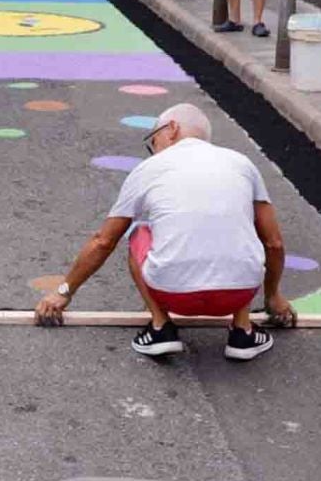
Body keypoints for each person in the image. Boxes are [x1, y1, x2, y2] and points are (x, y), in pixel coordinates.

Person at [35, 103, 295, 359]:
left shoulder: (147, 170)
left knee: (138, 230)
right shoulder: (242, 164)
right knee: (237, 228)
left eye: (154, 139)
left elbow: (104, 241)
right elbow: (273, 243)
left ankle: (161, 327)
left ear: (172, 129)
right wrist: (273, 297)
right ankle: (243, 331)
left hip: (173, 294)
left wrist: (63, 292)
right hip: (239, 291)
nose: (154, 149)